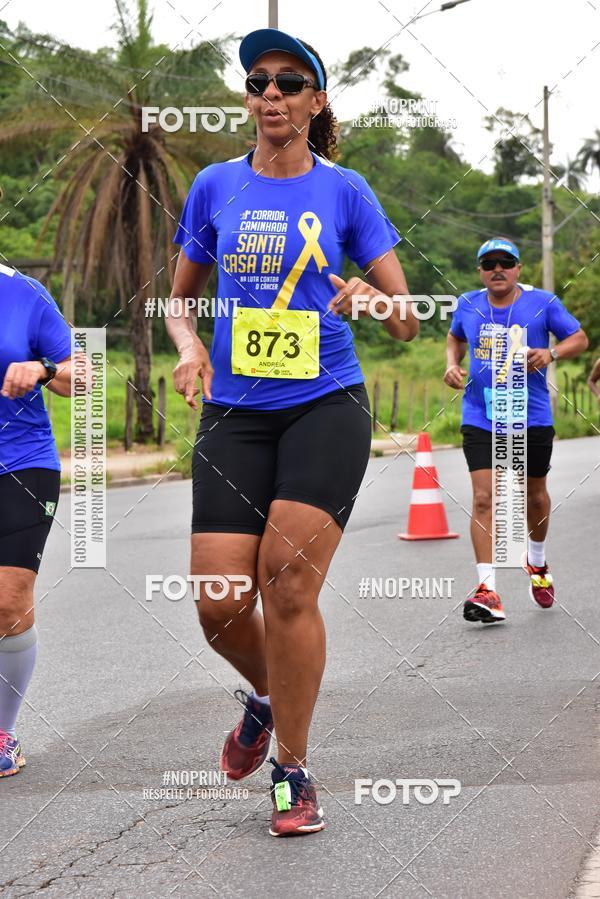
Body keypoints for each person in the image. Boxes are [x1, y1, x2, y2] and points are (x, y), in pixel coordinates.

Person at [166, 28, 418, 836]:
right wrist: (190, 344)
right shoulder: (213, 185)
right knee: (215, 600)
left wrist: (371, 300)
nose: (270, 94)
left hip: (325, 403)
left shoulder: (346, 190)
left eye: (288, 81)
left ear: (315, 100)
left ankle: (293, 771)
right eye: (257, 81)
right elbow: (180, 296)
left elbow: (409, 318)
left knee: (289, 581)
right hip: (236, 410)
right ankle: (267, 699)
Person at [444, 237, 588, 624]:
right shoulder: (469, 304)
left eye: (505, 262)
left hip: (531, 417)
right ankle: (487, 590)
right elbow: (455, 337)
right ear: (480, 271)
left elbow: (580, 338)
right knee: (482, 499)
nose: (497, 269)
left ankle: (536, 562)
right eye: (489, 263)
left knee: (534, 497)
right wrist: (451, 364)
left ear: (518, 268)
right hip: (481, 415)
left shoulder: (543, 303)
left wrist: (552, 353)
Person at [0, 248, 74, 776]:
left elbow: (83, 375)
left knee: (7, 601)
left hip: (21, 464)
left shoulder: (24, 294)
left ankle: (3, 732)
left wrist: (44, 368)